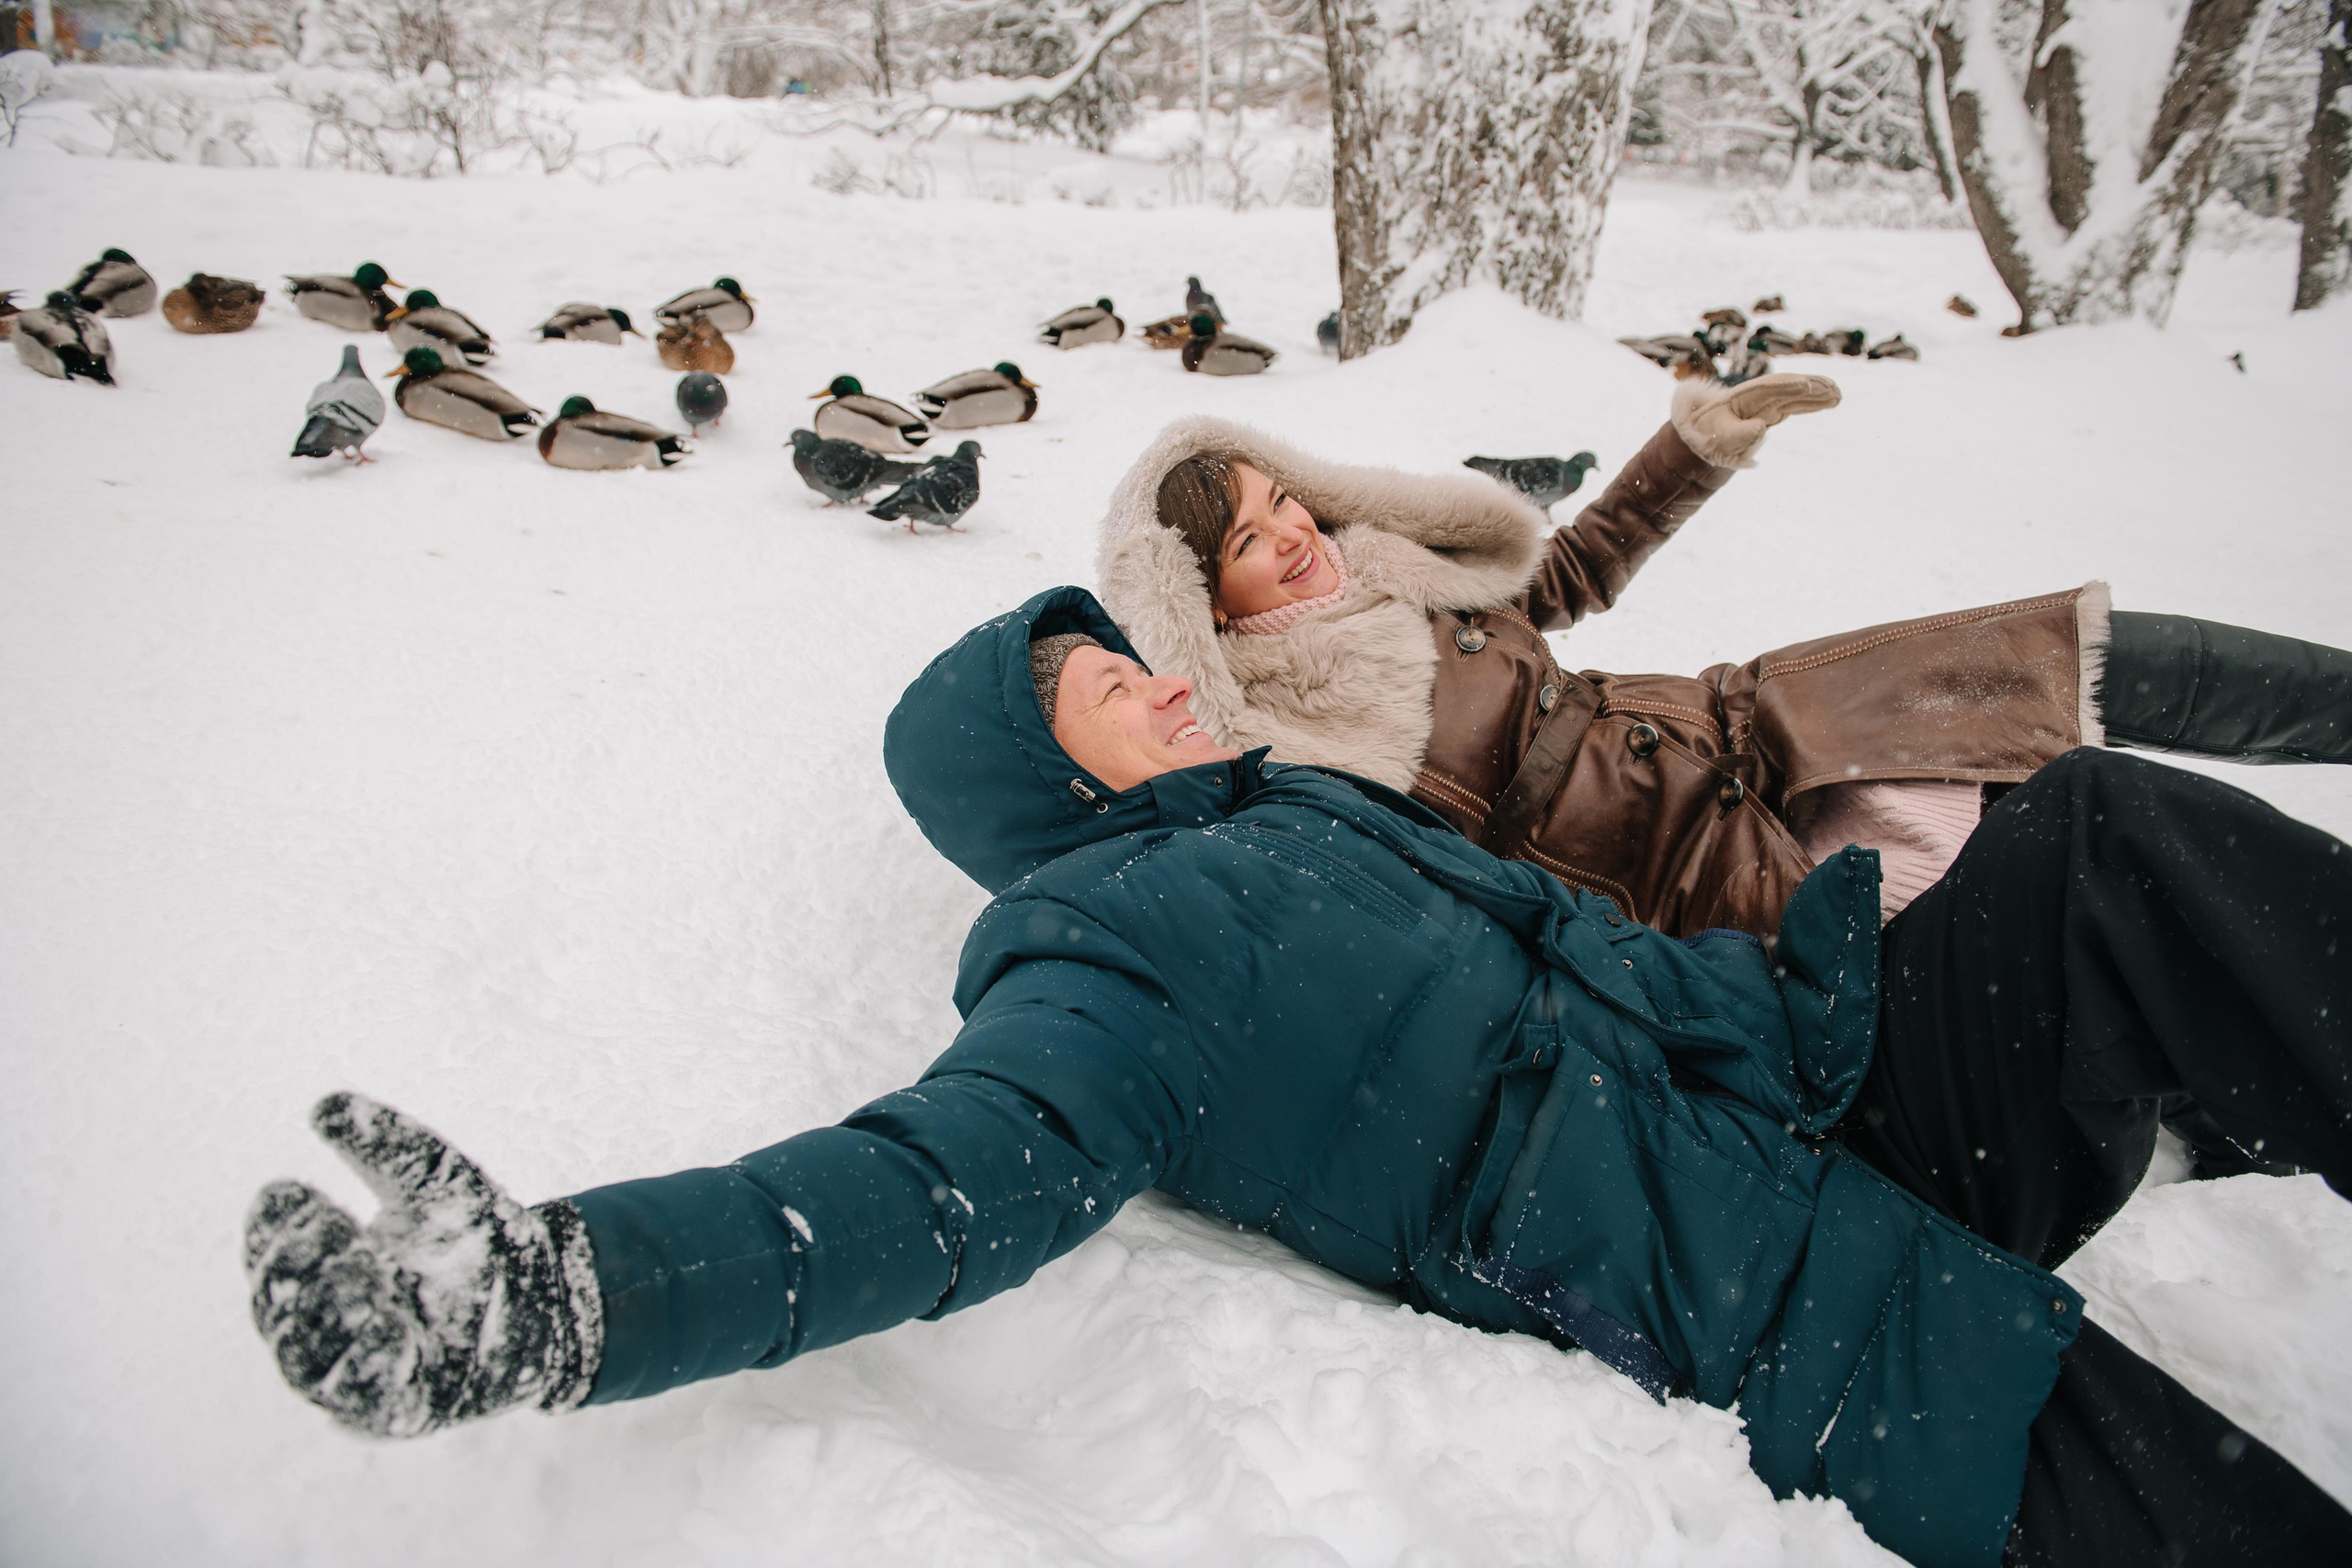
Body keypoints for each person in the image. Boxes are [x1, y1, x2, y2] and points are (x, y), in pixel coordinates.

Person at [246, 589, 2352, 1568]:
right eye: (1098, 688)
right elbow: (933, 1178)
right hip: (1801, 1320)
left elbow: (1644, 992)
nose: (1161, 674)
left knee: (2086, 837)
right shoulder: (1106, 956)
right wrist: (566, 1290)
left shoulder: (1331, 823)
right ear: (1035, 785)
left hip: (1826, 1126)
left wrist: (1816, 966)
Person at [1095, 387, 2352, 942]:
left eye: (1283, 502)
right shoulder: (1299, 749)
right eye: (1253, 547)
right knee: (2065, 857)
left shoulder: (1389, 567)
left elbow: (1567, 576)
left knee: (2047, 668)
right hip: (1700, 865)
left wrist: (1688, 449)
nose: (1295, 538)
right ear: (1208, 604)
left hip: (1745, 720)